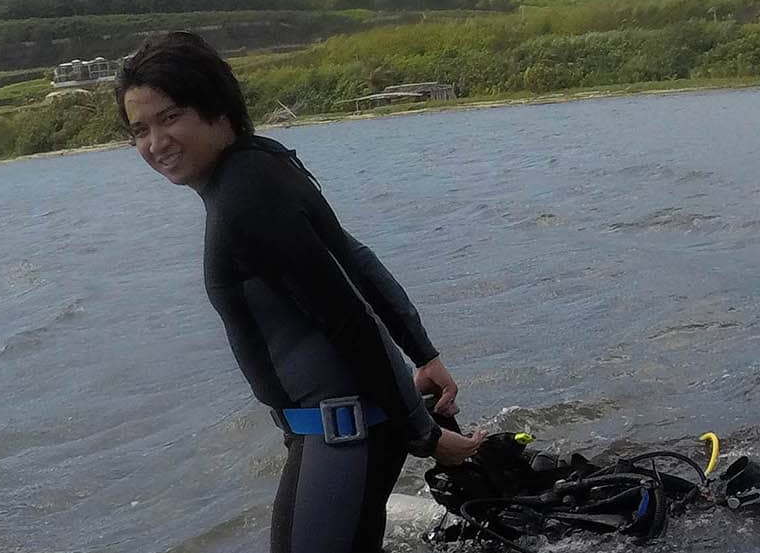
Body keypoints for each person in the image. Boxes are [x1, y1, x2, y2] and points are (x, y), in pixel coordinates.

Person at [116, 30, 486, 553]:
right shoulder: (262, 164)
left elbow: (346, 316)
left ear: (218, 109)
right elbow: (356, 259)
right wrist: (422, 354)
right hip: (345, 426)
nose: (156, 143)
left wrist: (424, 435)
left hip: (343, 432)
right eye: (139, 130)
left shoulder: (244, 196)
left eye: (170, 117)